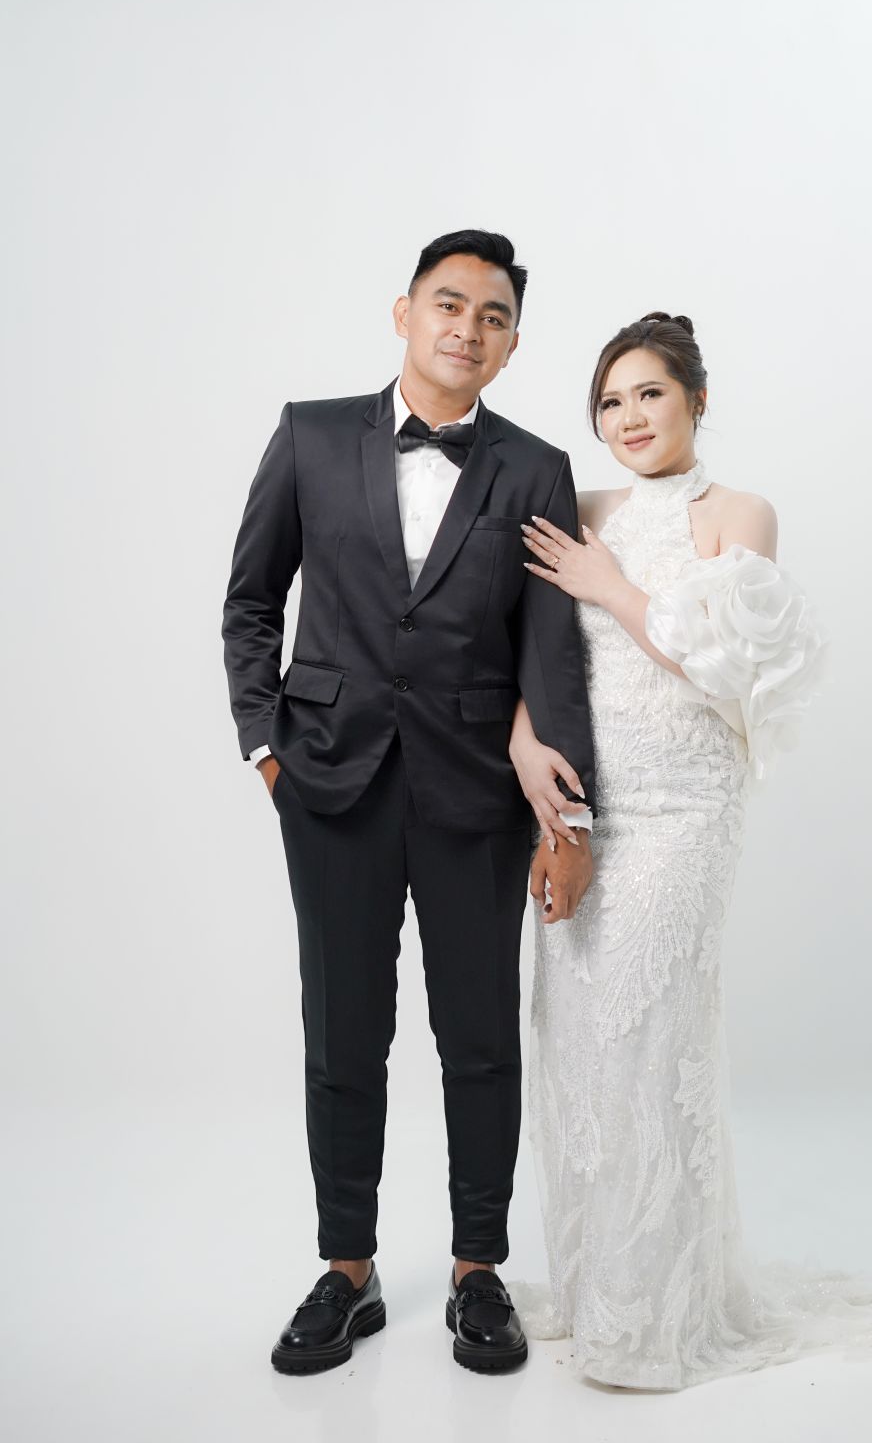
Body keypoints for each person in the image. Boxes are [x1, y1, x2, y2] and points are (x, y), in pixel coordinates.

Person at [507, 311, 872, 1389]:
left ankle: (652, 1321)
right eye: (609, 401)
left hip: (687, 805)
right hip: (586, 804)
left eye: (648, 392)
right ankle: (598, 1291)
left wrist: (609, 585)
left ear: (695, 398)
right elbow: (527, 647)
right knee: (577, 1042)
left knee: (649, 1038)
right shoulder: (580, 507)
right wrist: (522, 747)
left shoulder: (740, 513)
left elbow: (720, 664)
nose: (628, 417)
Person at [221, 230, 597, 1376]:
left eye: (492, 316)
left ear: (511, 344)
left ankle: (478, 1269)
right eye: (448, 303)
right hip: (328, 781)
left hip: (475, 792)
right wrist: (266, 748)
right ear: (404, 312)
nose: (466, 328)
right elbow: (250, 601)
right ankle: (347, 1269)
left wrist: (568, 819)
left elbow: (552, 651)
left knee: (478, 1039)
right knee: (343, 1037)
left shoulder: (533, 468)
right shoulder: (310, 434)